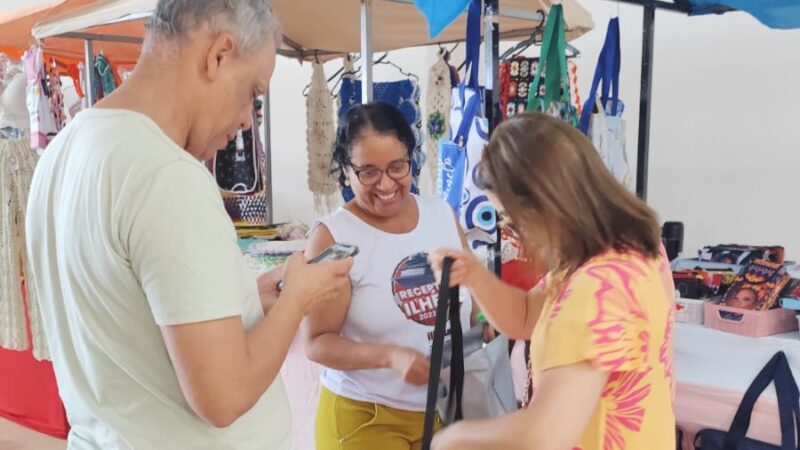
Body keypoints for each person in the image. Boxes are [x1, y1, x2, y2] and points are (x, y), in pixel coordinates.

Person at [24, 1, 351, 448]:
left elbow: (128, 321)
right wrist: (298, 298)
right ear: (218, 55)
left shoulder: (63, 152)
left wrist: (250, 300)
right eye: (252, 94)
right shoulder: (165, 174)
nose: (243, 122)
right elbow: (224, 397)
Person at [428, 112, 676, 450]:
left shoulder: (600, 287)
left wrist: (454, 439)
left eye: (510, 222)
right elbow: (526, 317)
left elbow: (545, 434)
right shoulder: (625, 250)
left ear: (548, 205)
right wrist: (473, 274)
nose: (514, 237)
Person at [302, 102, 475, 450]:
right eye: (368, 171)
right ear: (346, 171)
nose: (386, 184)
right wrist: (389, 356)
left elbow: (473, 289)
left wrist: (485, 322)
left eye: (398, 166)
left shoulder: (440, 213)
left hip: (442, 410)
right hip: (365, 419)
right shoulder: (334, 237)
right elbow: (317, 341)